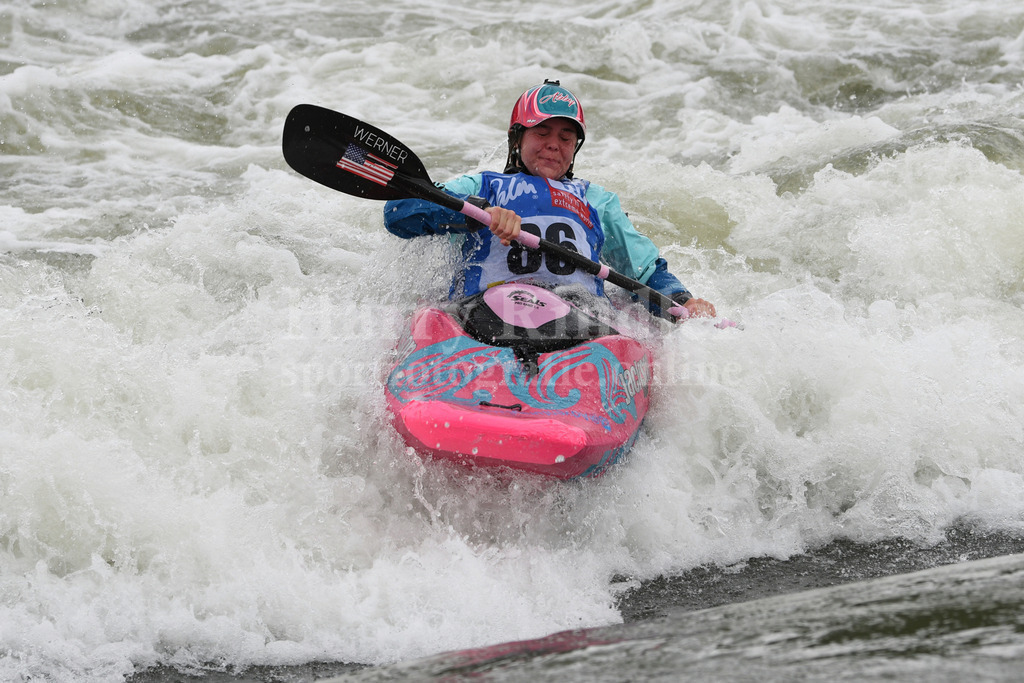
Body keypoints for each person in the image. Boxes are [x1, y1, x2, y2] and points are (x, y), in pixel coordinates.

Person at [382, 80, 716, 321]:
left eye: (565, 137)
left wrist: (682, 301)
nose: (553, 144)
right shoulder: (483, 186)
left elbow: (643, 270)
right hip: (479, 315)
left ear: (575, 148)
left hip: (580, 322)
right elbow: (399, 210)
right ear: (517, 139)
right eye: (541, 133)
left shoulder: (597, 201)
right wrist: (476, 212)